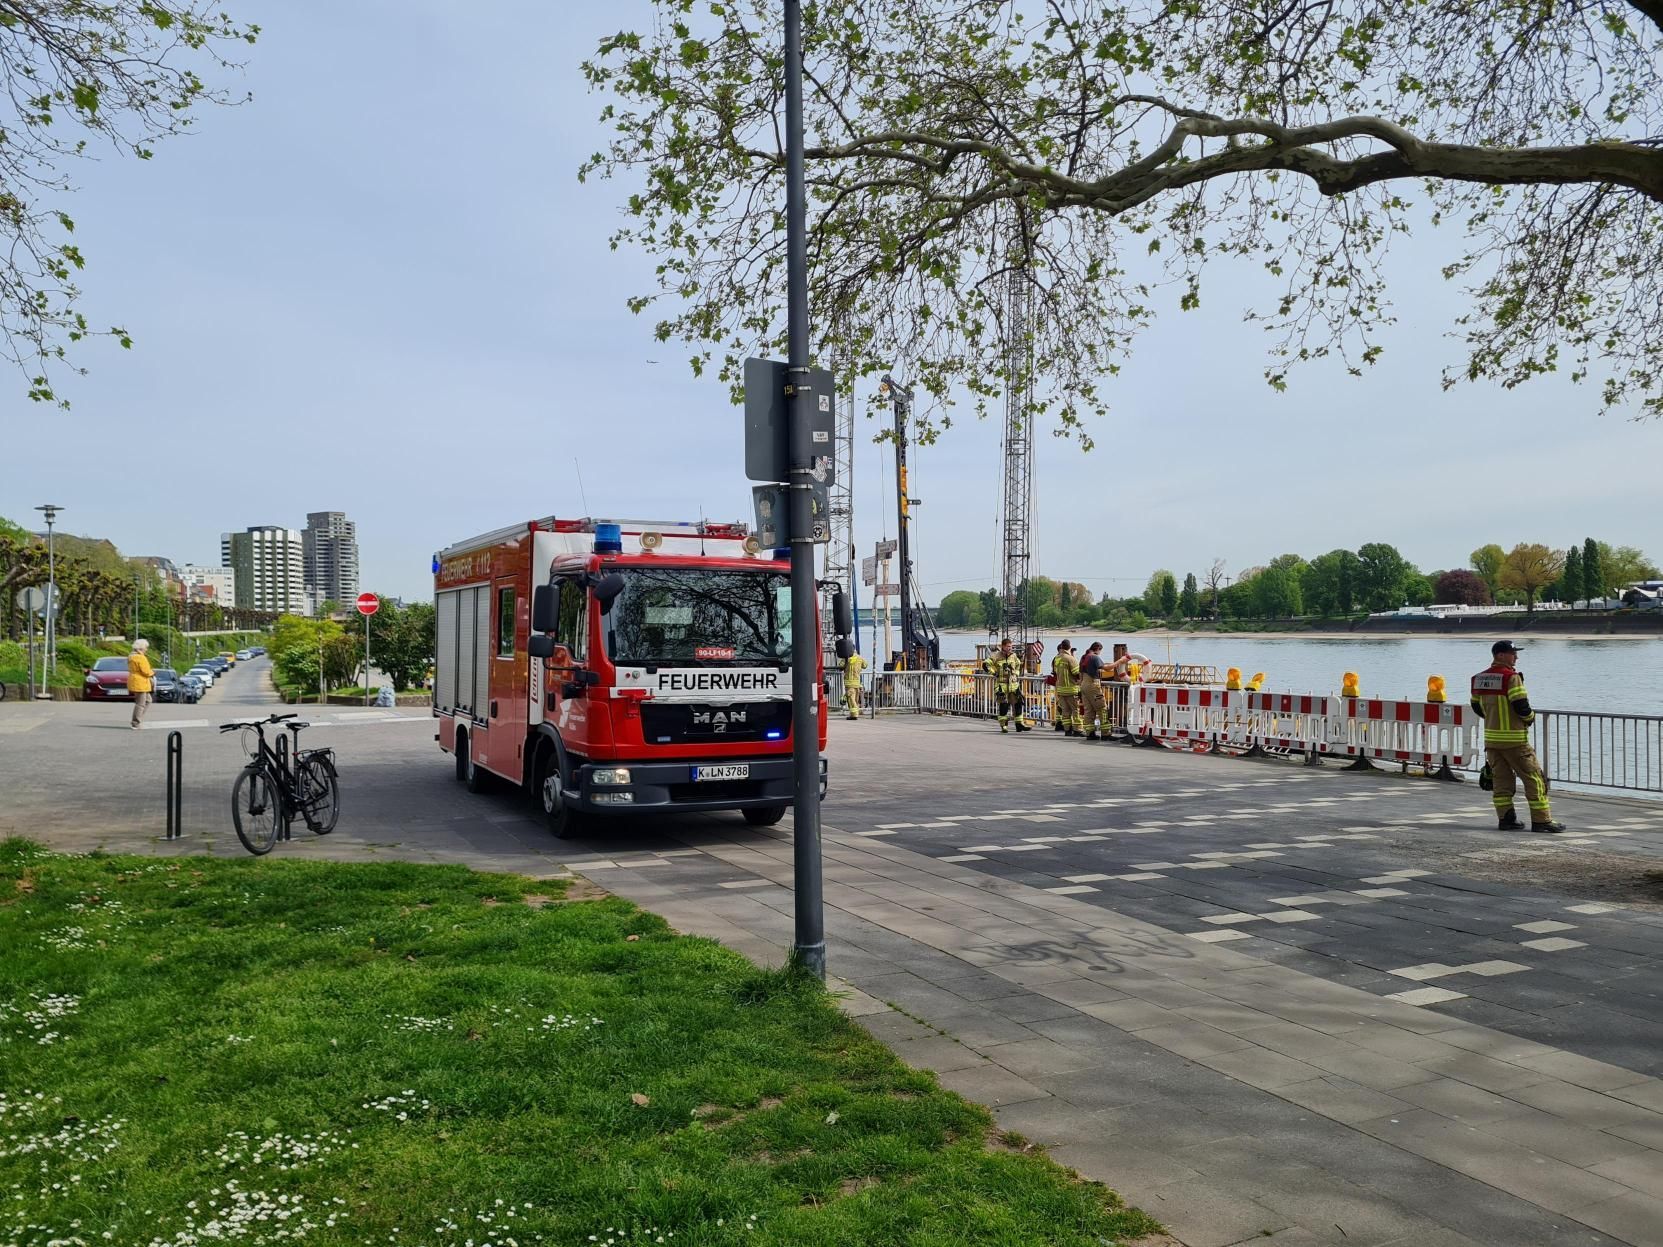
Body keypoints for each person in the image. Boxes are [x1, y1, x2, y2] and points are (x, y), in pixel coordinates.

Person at [1470, 640, 1564, 833]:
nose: (1516, 657)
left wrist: (1492, 719)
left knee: (1501, 782)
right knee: (1535, 779)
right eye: (1513, 653)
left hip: (1492, 741)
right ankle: (1542, 821)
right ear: (1500, 655)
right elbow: (1521, 704)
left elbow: (1476, 706)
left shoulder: (1479, 678)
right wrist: (1529, 718)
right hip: (1514, 741)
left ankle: (1506, 819)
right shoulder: (1511, 677)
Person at [982, 636, 1030, 733]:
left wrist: (1016, 673)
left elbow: (1018, 665)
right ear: (1003, 646)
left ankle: (1019, 724)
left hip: (1013, 684)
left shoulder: (1014, 656)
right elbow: (986, 664)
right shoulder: (996, 656)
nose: (1010, 648)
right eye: (1008, 646)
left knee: (1018, 704)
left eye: (1011, 646)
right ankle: (1004, 726)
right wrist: (993, 672)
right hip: (1002, 684)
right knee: (1003, 705)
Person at [1050, 640, 1084, 736]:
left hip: (1061, 689)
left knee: (1065, 711)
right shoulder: (1070, 658)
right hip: (1071, 689)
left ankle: (1067, 730)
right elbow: (1076, 673)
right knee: (1075, 711)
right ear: (1070, 647)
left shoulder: (1057, 658)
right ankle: (1078, 730)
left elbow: (1055, 672)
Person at [1078, 641, 1106, 740]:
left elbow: (1080, 674)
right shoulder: (1094, 657)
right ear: (1098, 649)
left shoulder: (1083, 657)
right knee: (1102, 708)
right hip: (1093, 686)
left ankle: (1090, 733)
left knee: (1088, 710)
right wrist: (1120, 662)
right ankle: (1106, 734)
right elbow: (1106, 668)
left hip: (1083, 685)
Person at [128, 638, 155, 730]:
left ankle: (138, 719)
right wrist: (152, 672)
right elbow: (146, 671)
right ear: (140, 648)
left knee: (148, 700)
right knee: (140, 703)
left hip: (135, 680)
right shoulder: (140, 658)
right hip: (140, 682)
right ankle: (135, 723)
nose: (146, 649)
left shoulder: (131, 656)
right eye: (145, 648)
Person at [843, 647, 867, 721]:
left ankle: (854, 715)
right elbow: (865, 665)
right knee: (855, 700)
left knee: (851, 700)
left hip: (849, 683)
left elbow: (840, 666)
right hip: (857, 683)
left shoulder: (847, 658)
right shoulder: (859, 658)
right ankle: (854, 713)